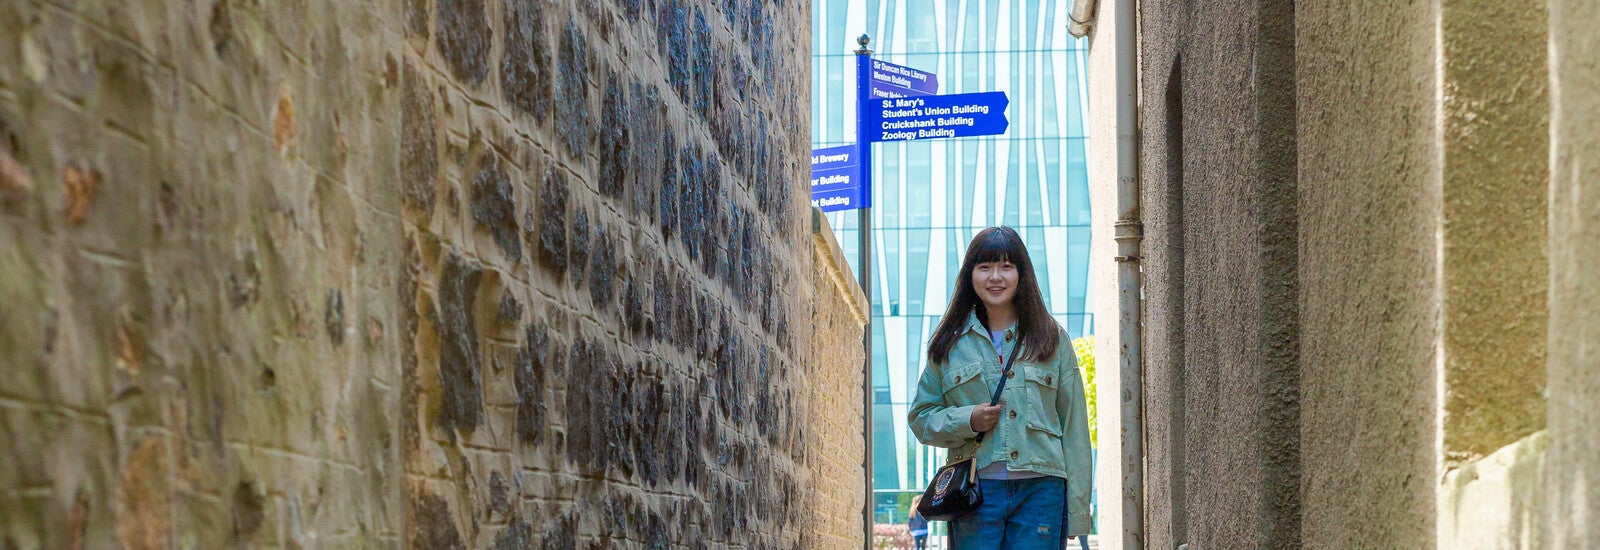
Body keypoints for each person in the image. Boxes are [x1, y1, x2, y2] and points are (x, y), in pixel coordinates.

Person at [908, 226, 1093, 549]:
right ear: (970, 276)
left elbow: (1074, 428)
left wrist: (1077, 512)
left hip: (1041, 490)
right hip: (975, 492)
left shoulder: (1052, 338)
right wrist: (968, 419)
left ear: (1022, 274)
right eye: (985, 267)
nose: (996, 277)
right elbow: (921, 418)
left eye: (1006, 266)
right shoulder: (949, 343)